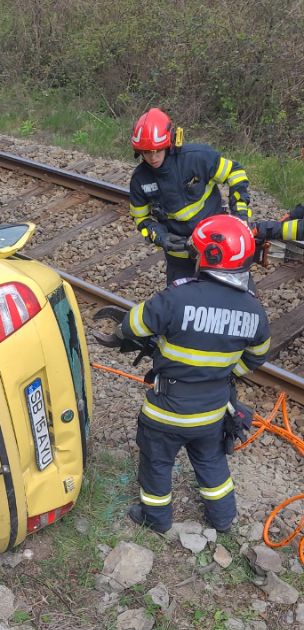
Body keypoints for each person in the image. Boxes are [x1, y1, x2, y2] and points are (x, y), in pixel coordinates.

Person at [107, 215, 270, 534]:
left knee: (156, 463)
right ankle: (223, 518)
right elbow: (257, 356)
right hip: (212, 412)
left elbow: (132, 326)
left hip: (167, 409)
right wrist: (223, 373)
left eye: (197, 253)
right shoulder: (255, 311)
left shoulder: (177, 297)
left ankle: (155, 518)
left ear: (209, 256)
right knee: (211, 463)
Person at [128, 108, 252, 286]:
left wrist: (240, 214)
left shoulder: (196, 158)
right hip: (179, 255)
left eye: (157, 150)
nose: (153, 157)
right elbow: (141, 218)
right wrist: (160, 237)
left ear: (170, 143)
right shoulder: (140, 180)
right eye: (147, 152)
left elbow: (236, 173)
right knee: (182, 306)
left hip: (217, 247)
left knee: (232, 297)